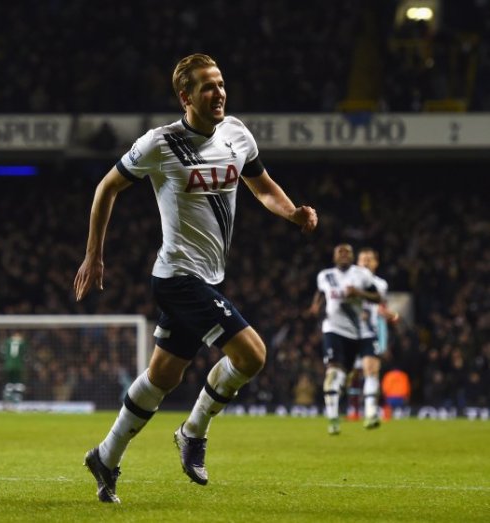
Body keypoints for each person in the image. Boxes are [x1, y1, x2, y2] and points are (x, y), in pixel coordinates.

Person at [74, 53, 318, 503]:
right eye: (207, 86)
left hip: (207, 278)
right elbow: (106, 186)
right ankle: (193, 431)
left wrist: (292, 212)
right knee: (252, 356)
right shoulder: (160, 143)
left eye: (221, 83)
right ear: (186, 97)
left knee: (161, 378)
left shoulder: (236, 134)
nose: (219, 92)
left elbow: (261, 185)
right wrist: (94, 255)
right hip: (177, 277)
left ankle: (105, 456)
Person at [307, 243, 382, 435]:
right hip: (334, 330)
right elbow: (321, 293)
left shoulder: (362, 275)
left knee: (371, 369)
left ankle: (371, 414)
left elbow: (377, 297)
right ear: (334, 257)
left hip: (361, 331)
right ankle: (333, 419)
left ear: (352, 256)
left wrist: (359, 293)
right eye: (339, 252)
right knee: (335, 373)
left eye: (347, 252)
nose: (343, 254)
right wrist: (315, 306)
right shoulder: (325, 276)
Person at [356, 247, 399, 428]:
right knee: (347, 375)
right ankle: (337, 411)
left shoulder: (381, 284)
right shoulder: (349, 281)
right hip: (348, 334)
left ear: (375, 263)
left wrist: (389, 315)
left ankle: (370, 412)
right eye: (363, 259)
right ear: (357, 262)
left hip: (370, 334)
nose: (365, 262)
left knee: (371, 370)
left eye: (369, 259)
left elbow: (379, 309)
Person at [0, 331, 28, 410]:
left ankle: (7, 401)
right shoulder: (23, 343)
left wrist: (7, 359)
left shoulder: (7, 341)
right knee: (18, 384)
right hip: (18, 366)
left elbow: (2, 352)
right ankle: (16, 403)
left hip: (8, 365)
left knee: (9, 383)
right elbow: (26, 356)